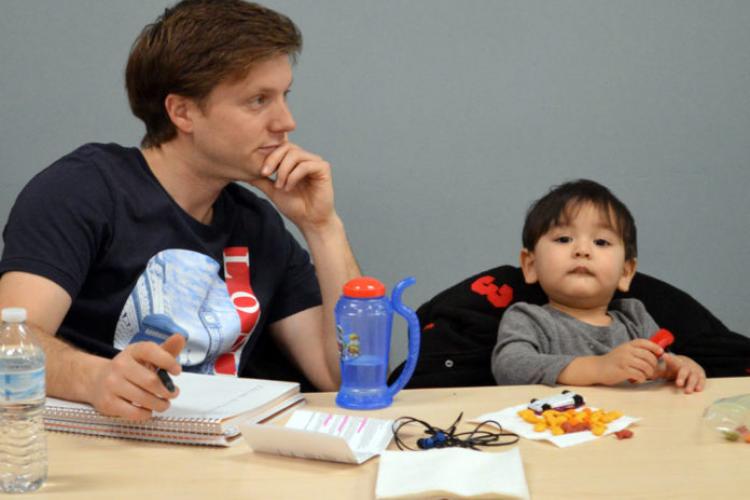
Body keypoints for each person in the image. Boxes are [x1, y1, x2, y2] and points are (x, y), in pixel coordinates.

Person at [0, 0, 360, 420]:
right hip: (101, 452)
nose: (286, 121)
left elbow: (346, 376)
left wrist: (322, 227)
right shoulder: (83, 190)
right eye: (258, 100)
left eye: (284, 95)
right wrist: (94, 378)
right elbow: (9, 341)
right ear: (182, 111)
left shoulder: (257, 222)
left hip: (222, 459)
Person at [491, 179, 705, 393]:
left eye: (601, 242)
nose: (582, 250)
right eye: (564, 239)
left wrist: (680, 367)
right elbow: (509, 368)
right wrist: (598, 367)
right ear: (531, 265)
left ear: (625, 272)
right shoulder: (529, 319)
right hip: (555, 423)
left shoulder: (635, 319)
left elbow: (662, 364)